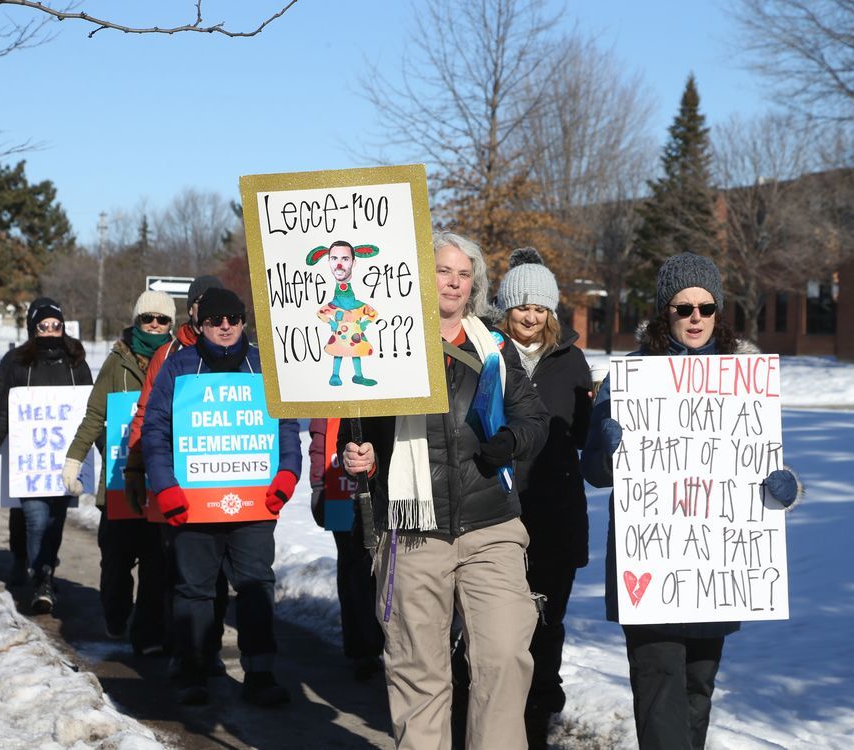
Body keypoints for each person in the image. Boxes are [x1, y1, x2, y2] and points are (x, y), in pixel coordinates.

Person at [580, 251, 802, 750]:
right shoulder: (631, 378)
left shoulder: (743, 378)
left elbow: (759, 466)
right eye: (684, 308)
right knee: (659, 681)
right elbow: (594, 473)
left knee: (698, 686)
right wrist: (608, 447)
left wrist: (784, 487)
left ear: (719, 311)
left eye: (706, 307)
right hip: (651, 560)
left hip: (715, 564)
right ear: (666, 313)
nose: (696, 318)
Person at [341, 231, 549, 750]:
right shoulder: (384, 341)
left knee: (504, 656)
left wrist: (510, 440)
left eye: (463, 274)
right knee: (419, 670)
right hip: (413, 531)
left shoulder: (495, 349)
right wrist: (358, 456)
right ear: (419, 277)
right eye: (443, 271)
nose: (454, 282)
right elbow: (358, 427)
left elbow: (534, 419)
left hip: (492, 526)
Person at [141, 286, 302, 707]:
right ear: (200, 324)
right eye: (215, 320)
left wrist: (287, 474)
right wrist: (166, 488)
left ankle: (260, 672)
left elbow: (286, 429)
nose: (226, 327)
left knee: (255, 584)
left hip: (254, 504)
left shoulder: (263, 369)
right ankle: (190, 668)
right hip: (192, 505)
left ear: (244, 322)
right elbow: (155, 433)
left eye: (233, 319)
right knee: (193, 589)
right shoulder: (178, 368)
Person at [494, 247, 593, 749]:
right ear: (505, 307)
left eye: (539, 308)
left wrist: (607, 421)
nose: (530, 317)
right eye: (521, 307)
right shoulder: (486, 352)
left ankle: (537, 720)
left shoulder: (571, 361)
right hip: (494, 512)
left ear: (551, 311)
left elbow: (583, 437)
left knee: (548, 624)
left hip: (555, 514)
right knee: (499, 631)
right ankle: (493, 719)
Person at [124, 274, 231, 673]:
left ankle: (209, 648)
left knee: (215, 573)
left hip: (222, 479)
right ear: (192, 308)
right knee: (171, 567)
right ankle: (165, 640)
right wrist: (137, 469)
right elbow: (145, 414)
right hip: (176, 479)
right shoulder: (167, 356)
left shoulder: (236, 351)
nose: (211, 310)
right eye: (202, 302)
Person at [61, 289, 176, 654]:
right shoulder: (117, 361)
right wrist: (74, 458)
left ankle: (147, 635)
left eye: (162, 319)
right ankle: (116, 614)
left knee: (156, 564)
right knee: (116, 561)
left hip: (160, 481)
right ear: (136, 320)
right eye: (148, 318)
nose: (155, 325)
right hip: (118, 482)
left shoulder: (180, 359)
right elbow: (95, 414)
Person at [0, 298, 93, 614]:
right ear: (33, 328)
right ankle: (38, 576)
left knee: (55, 521)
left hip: (66, 460)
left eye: (57, 326)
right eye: (44, 326)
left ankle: (42, 571)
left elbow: (89, 409)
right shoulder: (15, 361)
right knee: (34, 518)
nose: (51, 331)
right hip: (29, 458)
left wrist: (106, 455)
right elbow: (1, 405)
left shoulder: (75, 361)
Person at [308, 418, 384, 681]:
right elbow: (320, 436)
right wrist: (318, 485)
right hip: (339, 487)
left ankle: (380, 644)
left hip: (383, 486)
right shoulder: (328, 387)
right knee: (354, 567)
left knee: (381, 568)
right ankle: (363, 649)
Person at [307, 240, 380, 386]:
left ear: (353, 262)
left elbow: (373, 313)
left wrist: (364, 323)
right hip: (340, 335)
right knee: (338, 352)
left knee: (356, 353)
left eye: (345, 258)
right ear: (328, 261)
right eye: (334, 258)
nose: (339, 264)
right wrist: (331, 322)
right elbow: (321, 313)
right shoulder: (334, 305)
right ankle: (335, 374)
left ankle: (358, 375)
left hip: (355, 335)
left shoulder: (359, 305)